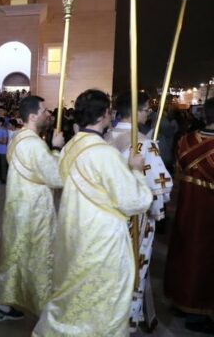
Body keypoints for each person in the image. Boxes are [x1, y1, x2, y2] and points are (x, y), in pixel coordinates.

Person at [33, 89, 152, 337]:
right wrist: (136, 171)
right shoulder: (104, 153)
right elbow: (135, 201)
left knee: (72, 292)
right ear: (105, 114)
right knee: (102, 298)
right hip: (101, 239)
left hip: (73, 232)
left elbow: (58, 177)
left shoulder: (71, 146)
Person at [0, 96, 64, 322]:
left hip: (19, 207)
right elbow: (56, 176)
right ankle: (41, 307)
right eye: (44, 111)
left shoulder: (20, 137)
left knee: (14, 255)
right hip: (33, 211)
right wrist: (56, 148)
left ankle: (3, 305)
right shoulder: (33, 144)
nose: (49, 114)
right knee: (37, 258)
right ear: (32, 116)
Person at [105, 91, 172, 331]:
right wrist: (159, 209)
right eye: (145, 109)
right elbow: (161, 185)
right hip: (136, 217)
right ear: (135, 112)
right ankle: (126, 320)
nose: (148, 113)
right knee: (133, 266)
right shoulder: (144, 143)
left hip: (107, 215)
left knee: (110, 266)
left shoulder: (105, 137)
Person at [164, 97, 214, 334]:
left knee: (183, 251)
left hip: (186, 206)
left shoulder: (185, 140)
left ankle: (179, 301)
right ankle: (197, 311)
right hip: (208, 211)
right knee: (203, 258)